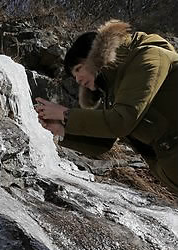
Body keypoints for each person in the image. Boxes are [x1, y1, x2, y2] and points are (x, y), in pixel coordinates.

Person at [34, 19, 178, 194]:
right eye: (74, 77)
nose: (78, 80)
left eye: (79, 69)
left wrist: (65, 114)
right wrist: (60, 129)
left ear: (96, 55)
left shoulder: (149, 57)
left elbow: (121, 121)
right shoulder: (114, 91)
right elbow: (103, 143)